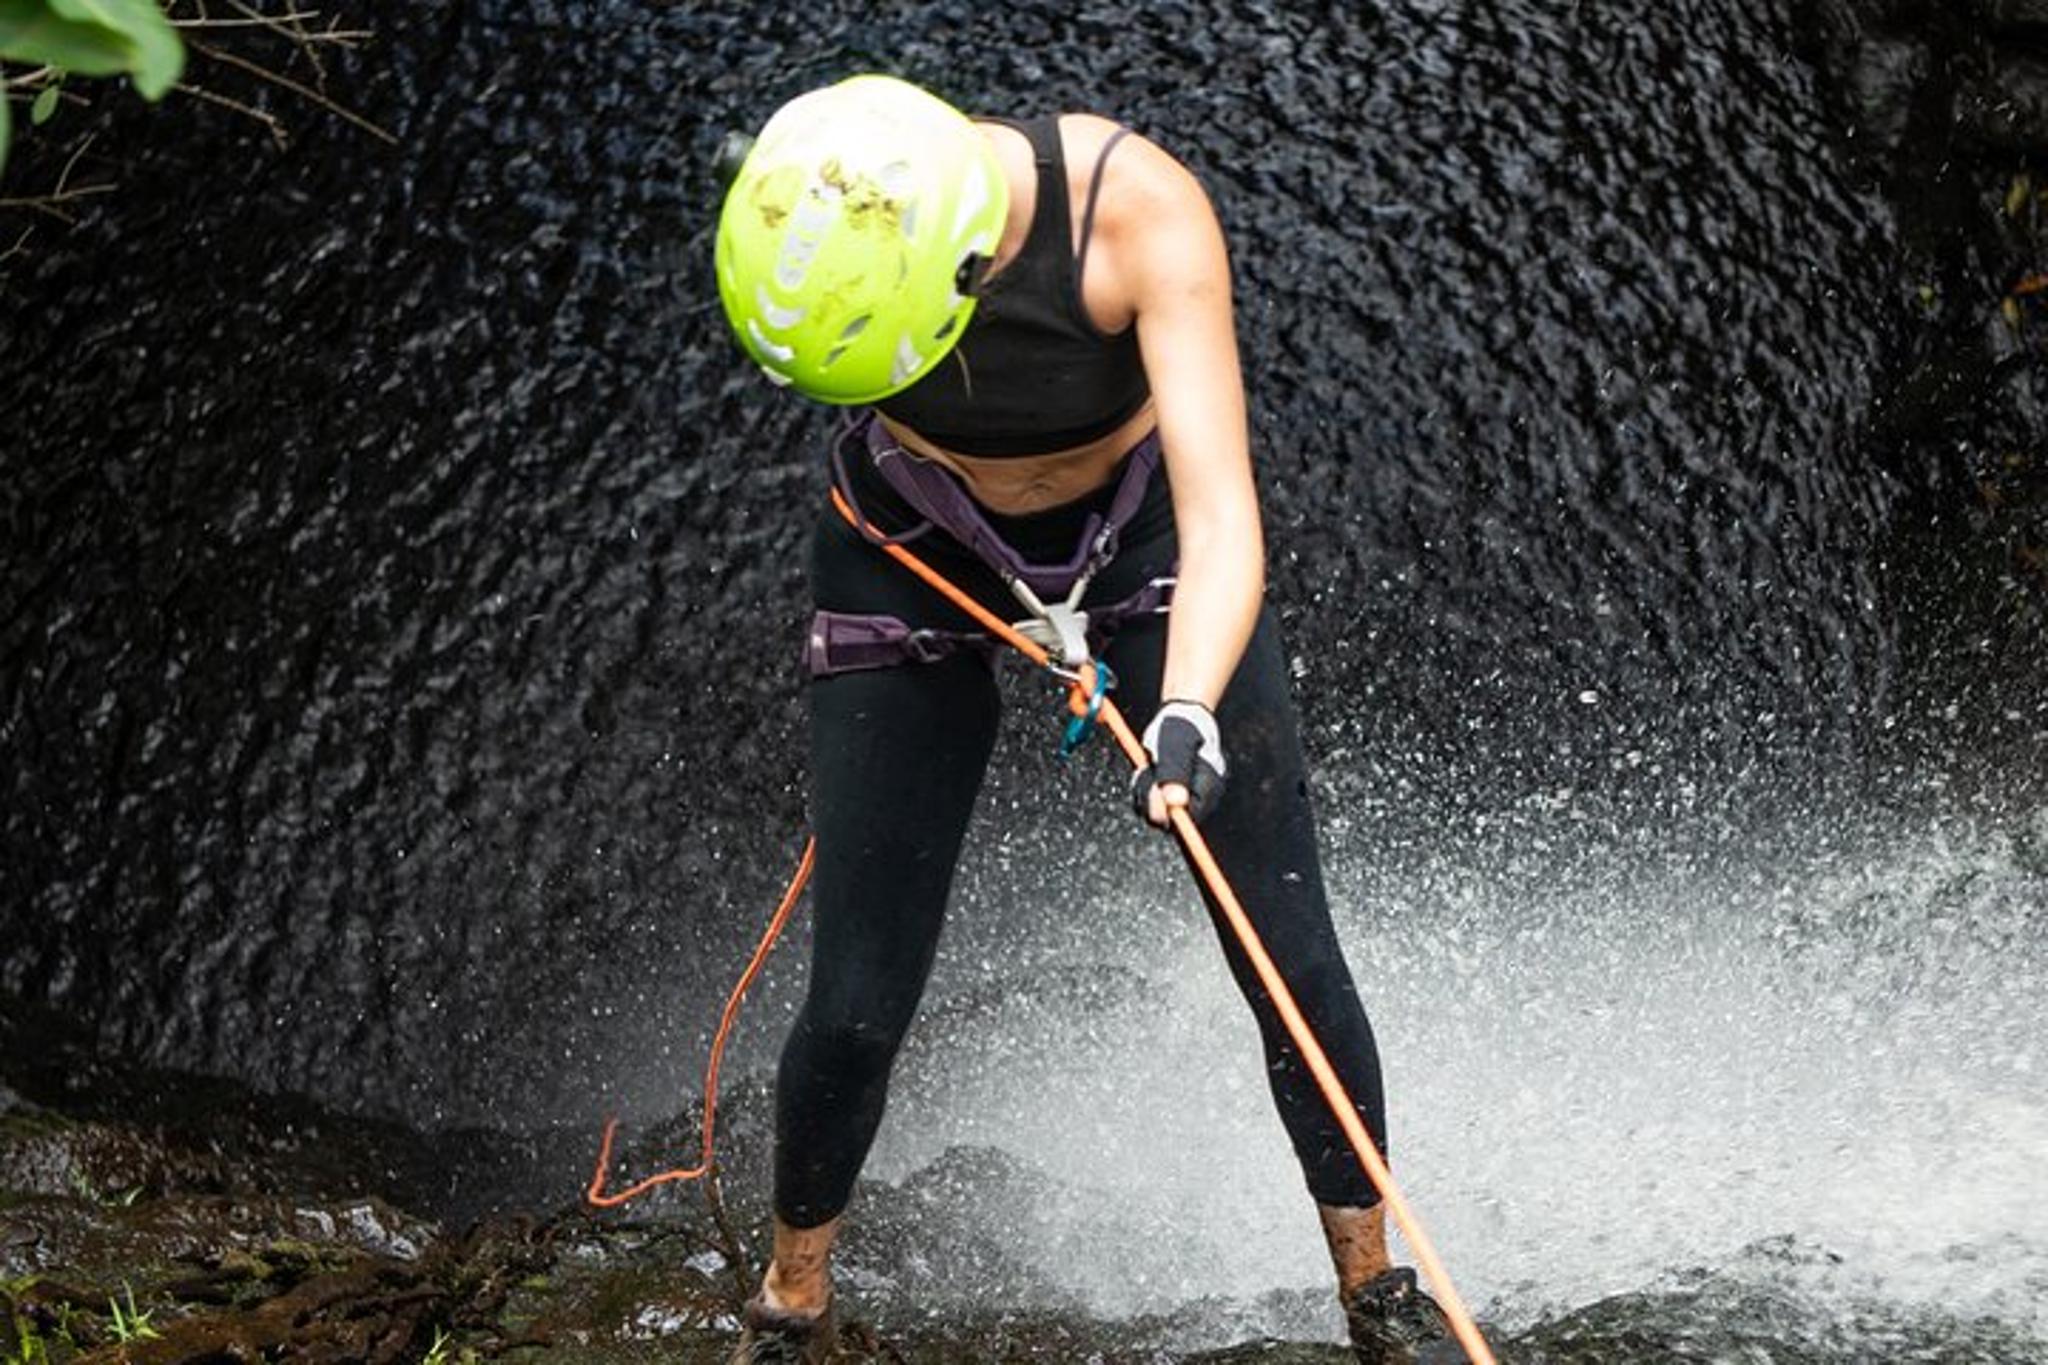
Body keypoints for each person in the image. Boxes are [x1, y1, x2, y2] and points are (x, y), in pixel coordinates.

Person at [712, 74, 1451, 1364]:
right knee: (855, 997)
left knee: (1281, 948)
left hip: (1145, 540)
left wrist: (1185, 715)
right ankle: (792, 1301)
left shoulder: (1135, 214)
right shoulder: (817, 194)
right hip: (916, 543)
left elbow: (1224, 515)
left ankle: (1375, 1293)